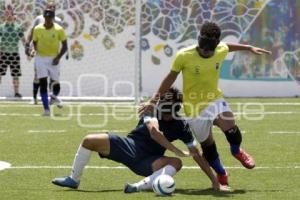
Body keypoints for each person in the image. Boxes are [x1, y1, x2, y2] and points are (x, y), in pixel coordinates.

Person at [139, 22, 272, 181]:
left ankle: (236, 151)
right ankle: (222, 173)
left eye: (209, 50)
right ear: (199, 42)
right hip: (194, 109)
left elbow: (227, 46)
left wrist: (248, 48)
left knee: (232, 130)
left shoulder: (220, 49)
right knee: (208, 148)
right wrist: (153, 100)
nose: (205, 51)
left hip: (214, 99)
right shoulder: (184, 55)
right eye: (203, 48)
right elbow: (170, 77)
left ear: (215, 46)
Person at [52, 87, 229, 192]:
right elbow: (154, 132)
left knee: (176, 163)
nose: (167, 116)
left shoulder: (182, 125)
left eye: (171, 112)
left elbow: (196, 154)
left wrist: (214, 182)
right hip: (129, 147)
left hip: (150, 162)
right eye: (165, 111)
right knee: (89, 140)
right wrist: (176, 150)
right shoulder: (151, 111)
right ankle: (74, 179)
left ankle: (137, 187)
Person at [25, 1, 64, 106]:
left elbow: (61, 38)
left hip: (53, 54)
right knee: (38, 76)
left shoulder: (59, 21)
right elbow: (32, 32)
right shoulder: (39, 19)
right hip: (40, 53)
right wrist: (28, 45)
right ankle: (34, 98)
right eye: (49, 7)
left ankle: (52, 98)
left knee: (54, 78)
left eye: (53, 7)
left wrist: (62, 53)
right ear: (46, 8)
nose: (51, 8)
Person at [32, 8, 68, 116]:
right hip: (41, 58)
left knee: (56, 84)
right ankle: (46, 110)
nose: (48, 20)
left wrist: (58, 57)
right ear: (44, 17)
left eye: (50, 17)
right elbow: (34, 42)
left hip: (54, 58)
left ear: (53, 18)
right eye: (46, 17)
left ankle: (53, 97)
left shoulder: (59, 29)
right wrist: (34, 50)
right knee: (43, 83)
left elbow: (65, 46)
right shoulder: (37, 29)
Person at [0, 6, 26, 98]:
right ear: (5, 15)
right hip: (3, 53)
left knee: (15, 74)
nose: (8, 15)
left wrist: (27, 48)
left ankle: (16, 92)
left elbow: (23, 39)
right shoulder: (1, 27)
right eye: (6, 13)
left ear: (13, 14)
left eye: (10, 13)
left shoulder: (17, 27)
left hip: (14, 53)